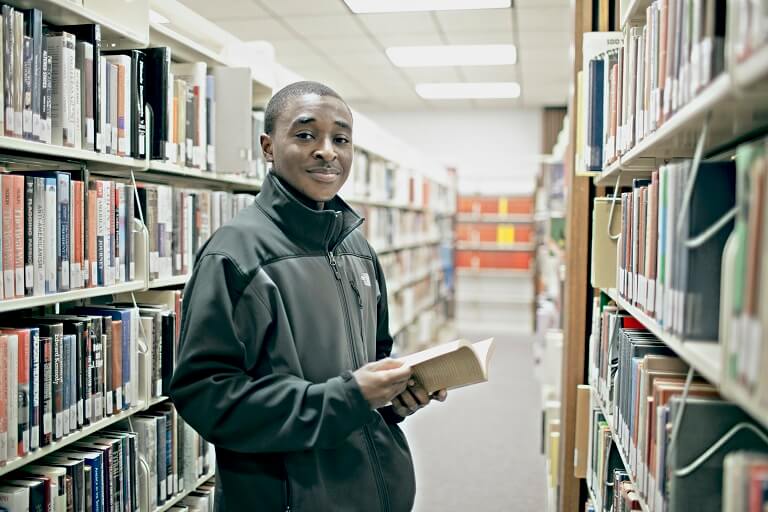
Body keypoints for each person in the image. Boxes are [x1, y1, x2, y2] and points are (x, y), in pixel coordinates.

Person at [170, 80, 448, 512]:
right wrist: (349, 397)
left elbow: (369, 364)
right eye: (305, 135)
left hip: (373, 492)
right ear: (268, 146)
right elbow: (206, 396)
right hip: (287, 498)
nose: (327, 151)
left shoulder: (358, 249)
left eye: (341, 139)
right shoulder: (236, 255)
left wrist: (393, 400)